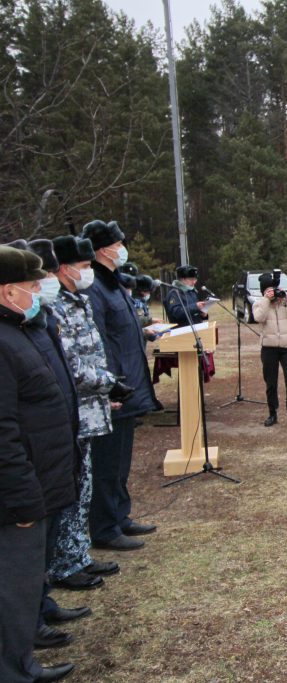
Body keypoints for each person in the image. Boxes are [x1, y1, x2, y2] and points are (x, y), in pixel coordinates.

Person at [0, 246, 76, 683]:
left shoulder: (22, 330)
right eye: (32, 286)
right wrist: (23, 498)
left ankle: (23, 653)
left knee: (25, 583)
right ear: (9, 291)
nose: (38, 292)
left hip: (39, 481)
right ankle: (15, 669)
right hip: (18, 496)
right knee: (12, 585)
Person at [48, 236, 126, 594]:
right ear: (63, 269)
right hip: (75, 411)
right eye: (82, 266)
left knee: (84, 487)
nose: (87, 272)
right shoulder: (56, 307)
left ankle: (77, 554)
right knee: (73, 489)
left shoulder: (77, 300)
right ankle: (64, 563)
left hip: (91, 407)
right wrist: (108, 382)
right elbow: (72, 364)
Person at [81, 219, 159, 549]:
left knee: (122, 459)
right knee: (106, 462)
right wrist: (110, 386)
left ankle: (120, 515)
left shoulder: (112, 282)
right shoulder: (95, 287)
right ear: (103, 249)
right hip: (114, 386)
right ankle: (104, 527)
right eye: (118, 243)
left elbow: (123, 329)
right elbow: (98, 342)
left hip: (130, 383)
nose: (122, 248)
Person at [253, 271, 287, 428]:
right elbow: (258, 318)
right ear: (264, 292)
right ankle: (272, 413)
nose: (274, 293)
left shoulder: (284, 302)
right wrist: (266, 300)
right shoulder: (259, 303)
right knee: (271, 383)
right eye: (269, 290)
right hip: (269, 348)